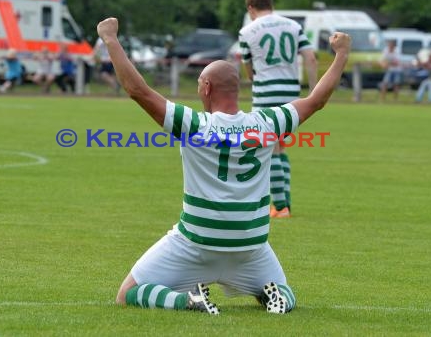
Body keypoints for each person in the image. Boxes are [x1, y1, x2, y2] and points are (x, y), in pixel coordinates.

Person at [96, 17, 351, 314]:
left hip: (197, 243)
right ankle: (274, 297)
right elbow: (316, 100)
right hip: (250, 246)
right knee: (283, 290)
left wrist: (111, 40)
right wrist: (341, 54)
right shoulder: (268, 123)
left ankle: (188, 300)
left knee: (128, 294)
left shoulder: (194, 124)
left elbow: (138, 91)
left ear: (206, 87)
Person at [239, 0, 317, 218]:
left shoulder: (247, 31)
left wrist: (253, 75)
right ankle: (284, 203)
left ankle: (281, 206)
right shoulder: (294, 26)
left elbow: (249, 71)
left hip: (265, 94)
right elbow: (310, 57)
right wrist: (312, 93)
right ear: (271, 4)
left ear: (251, 8)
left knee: (269, 148)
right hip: (291, 93)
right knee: (280, 146)